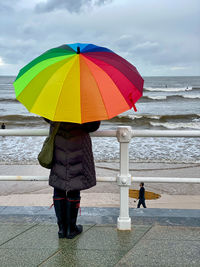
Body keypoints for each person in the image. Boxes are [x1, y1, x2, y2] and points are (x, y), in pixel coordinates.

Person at [45, 119, 100, 239]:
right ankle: (71, 229)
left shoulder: (56, 101)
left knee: (59, 183)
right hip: (78, 144)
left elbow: (47, 117)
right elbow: (92, 126)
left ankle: (61, 229)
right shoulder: (84, 102)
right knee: (74, 183)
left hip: (58, 143)